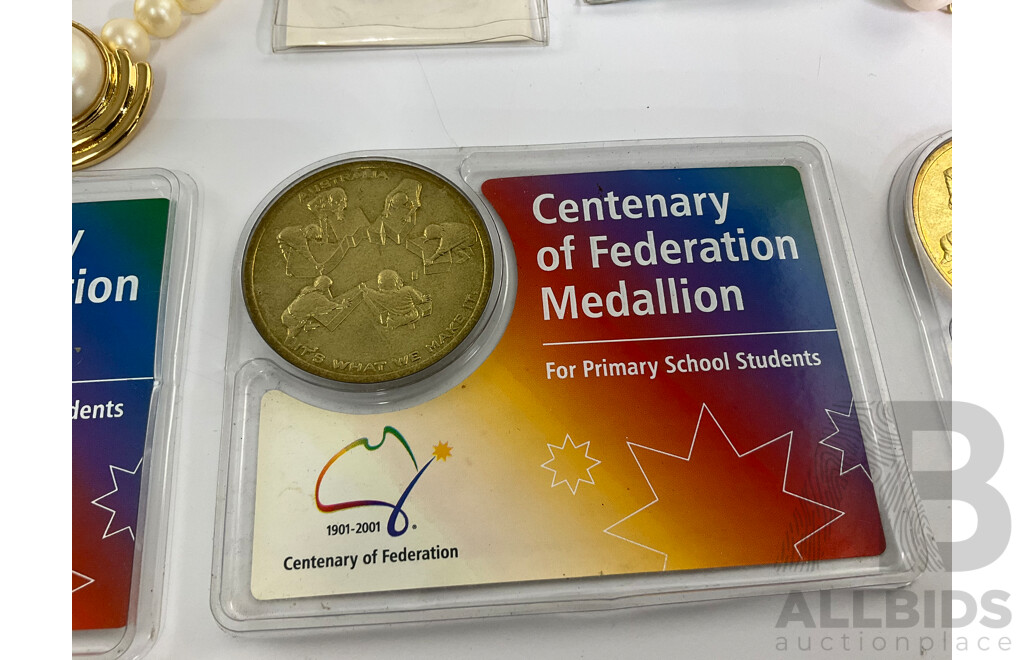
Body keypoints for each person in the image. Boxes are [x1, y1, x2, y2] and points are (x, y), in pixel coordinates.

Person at [358, 270, 430, 330]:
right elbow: (418, 301)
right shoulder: (407, 289)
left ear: (381, 286)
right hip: (413, 314)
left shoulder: (383, 297)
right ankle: (409, 323)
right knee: (412, 314)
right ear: (397, 282)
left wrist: (365, 288)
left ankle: (392, 327)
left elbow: (373, 294)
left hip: (397, 319)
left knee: (390, 320)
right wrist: (422, 299)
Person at [280, 276, 346, 339]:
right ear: (324, 286)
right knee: (315, 326)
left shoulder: (307, 289)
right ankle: (300, 334)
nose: (328, 288)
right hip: (293, 319)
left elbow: (328, 300)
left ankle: (301, 330)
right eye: (327, 287)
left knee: (311, 317)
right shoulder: (317, 297)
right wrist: (342, 305)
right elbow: (330, 305)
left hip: (286, 314)